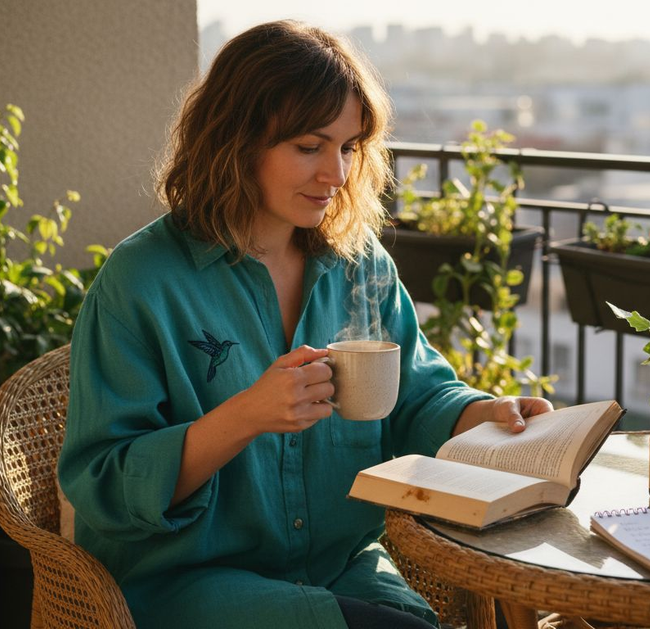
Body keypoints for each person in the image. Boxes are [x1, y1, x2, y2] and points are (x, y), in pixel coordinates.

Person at [57, 21, 552, 629]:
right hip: (186, 580)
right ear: (236, 141)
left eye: (348, 147)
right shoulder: (141, 281)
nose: (337, 174)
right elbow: (102, 482)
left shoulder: (360, 263)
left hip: (338, 564)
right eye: (309, 146)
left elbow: (418, 394)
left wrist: (490, 414)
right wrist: (245, 416)